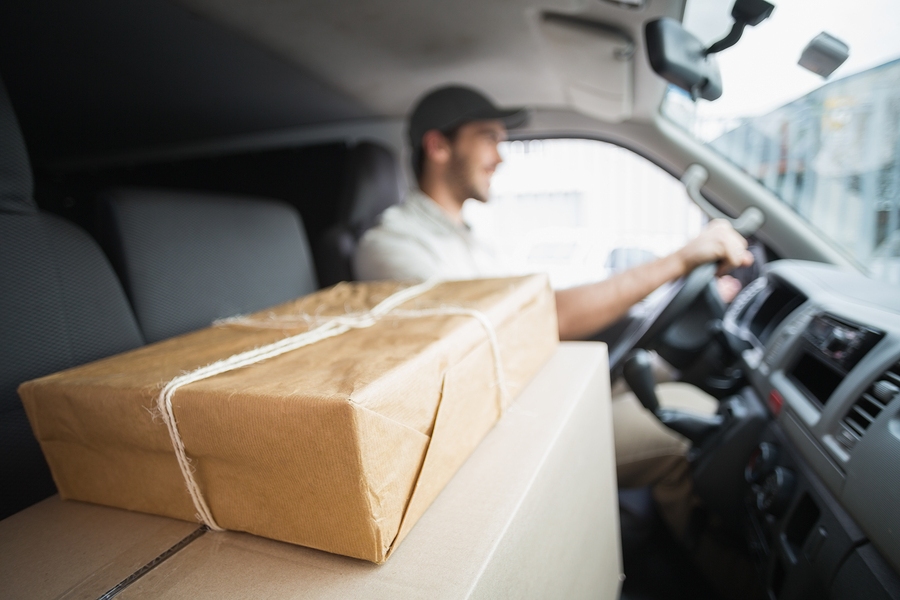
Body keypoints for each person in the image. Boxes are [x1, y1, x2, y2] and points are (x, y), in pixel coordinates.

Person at [353, 85, 753, 539]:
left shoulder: (470, 238)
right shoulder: (393, 247)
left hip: (535, 394)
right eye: (488, 138)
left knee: (681, 390)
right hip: (496, 439)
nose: (500, 157)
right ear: (438, 145)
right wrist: (678, 260)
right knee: (687, 430)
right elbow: (540, 317)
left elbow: (535, 308)